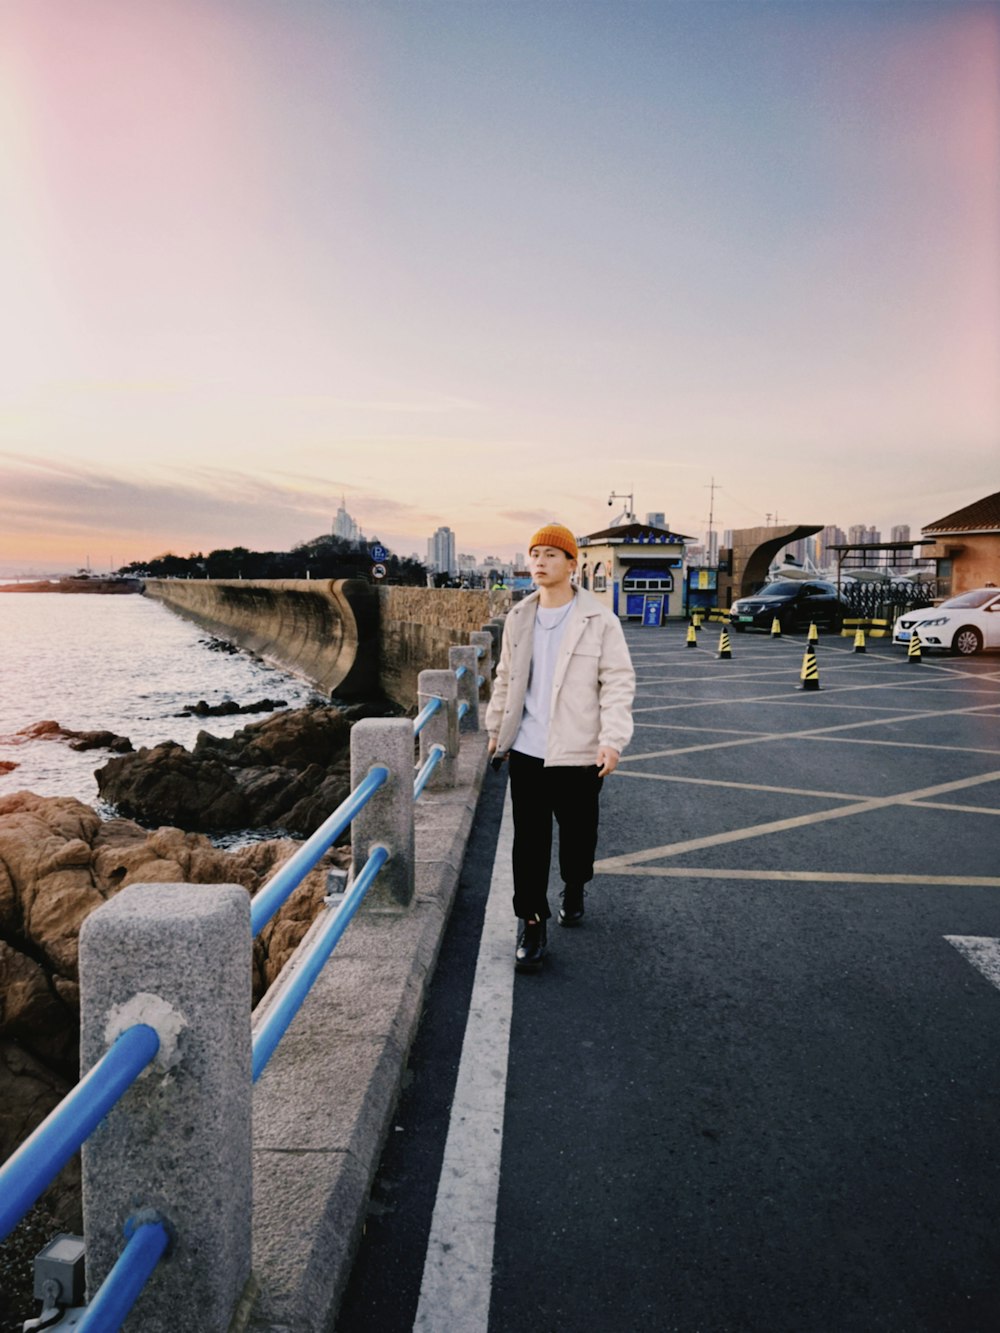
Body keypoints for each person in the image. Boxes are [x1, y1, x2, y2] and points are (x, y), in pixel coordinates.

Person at [485, 522, 635, 973]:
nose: (539, 562)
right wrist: (497, 730)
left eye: (551, 554)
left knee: (577, 838)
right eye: (534, 554)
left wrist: (612, 741)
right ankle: (532, 923)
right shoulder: (519, 617)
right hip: (528, 751)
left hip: (579, 752)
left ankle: (575, 885)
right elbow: (506, 678)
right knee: (528, 844)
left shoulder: (599, 620)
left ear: (573, 564)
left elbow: (618, 683)